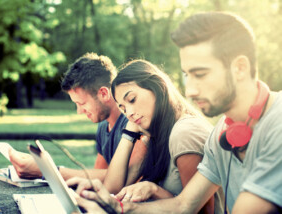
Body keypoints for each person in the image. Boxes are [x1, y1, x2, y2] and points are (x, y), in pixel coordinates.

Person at [69, 11, 282, 213]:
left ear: (240, 68)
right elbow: (183, 205)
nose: (190, 90)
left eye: (200, 74)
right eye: (187, 76)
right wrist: (118, 207)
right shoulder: (221, 136)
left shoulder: (278, 121)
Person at [68, 59, 224, 213]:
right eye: (123, 108)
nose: (128, 113)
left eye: (132, 100)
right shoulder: (153, 136)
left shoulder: (184, 132)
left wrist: (153, 190)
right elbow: (113, 189)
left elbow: (202, 211)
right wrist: (129, 133)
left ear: (157, 88)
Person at [9, 52, 147, 184]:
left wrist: (48, 171)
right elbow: (98, 177)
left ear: (104, 93)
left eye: (81, 103)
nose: (79, 111)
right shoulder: (103, 126)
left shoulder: (134, 121)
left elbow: (126, 178)